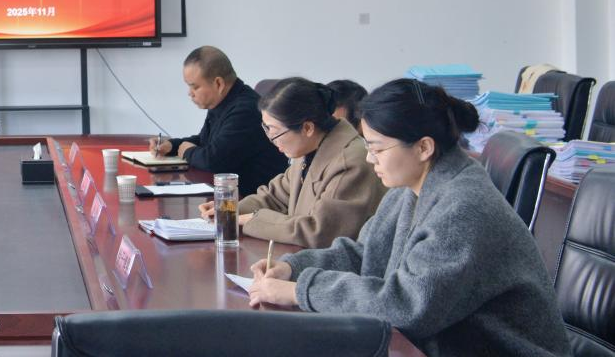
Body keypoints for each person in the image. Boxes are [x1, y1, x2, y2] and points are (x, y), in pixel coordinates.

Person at [247, 79, 571, 357]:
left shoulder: (464, 208)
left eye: (377, 149)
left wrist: (299, 290)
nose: (369, 159)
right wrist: (293, 268)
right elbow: (364, 254)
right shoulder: (411, 187)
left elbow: (405, 306)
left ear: (423, 147)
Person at [198, 77, 385, 248]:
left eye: (275, 131)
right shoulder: (308, 149)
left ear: (307, 128)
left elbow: (320, 232)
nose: (272, 140)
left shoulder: (350, 162)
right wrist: (228, 209)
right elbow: (274, 197)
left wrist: (254, 220)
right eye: (266, 129)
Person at [148, 46, 287, 194]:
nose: (190, 93)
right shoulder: (223, 102)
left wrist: (187, 151)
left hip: (254, 198)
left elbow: (214, 160)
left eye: (195, 87)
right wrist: (172, 145)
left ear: (218, 84)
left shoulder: (246, 110)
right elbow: (205, 141)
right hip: (230, 193)